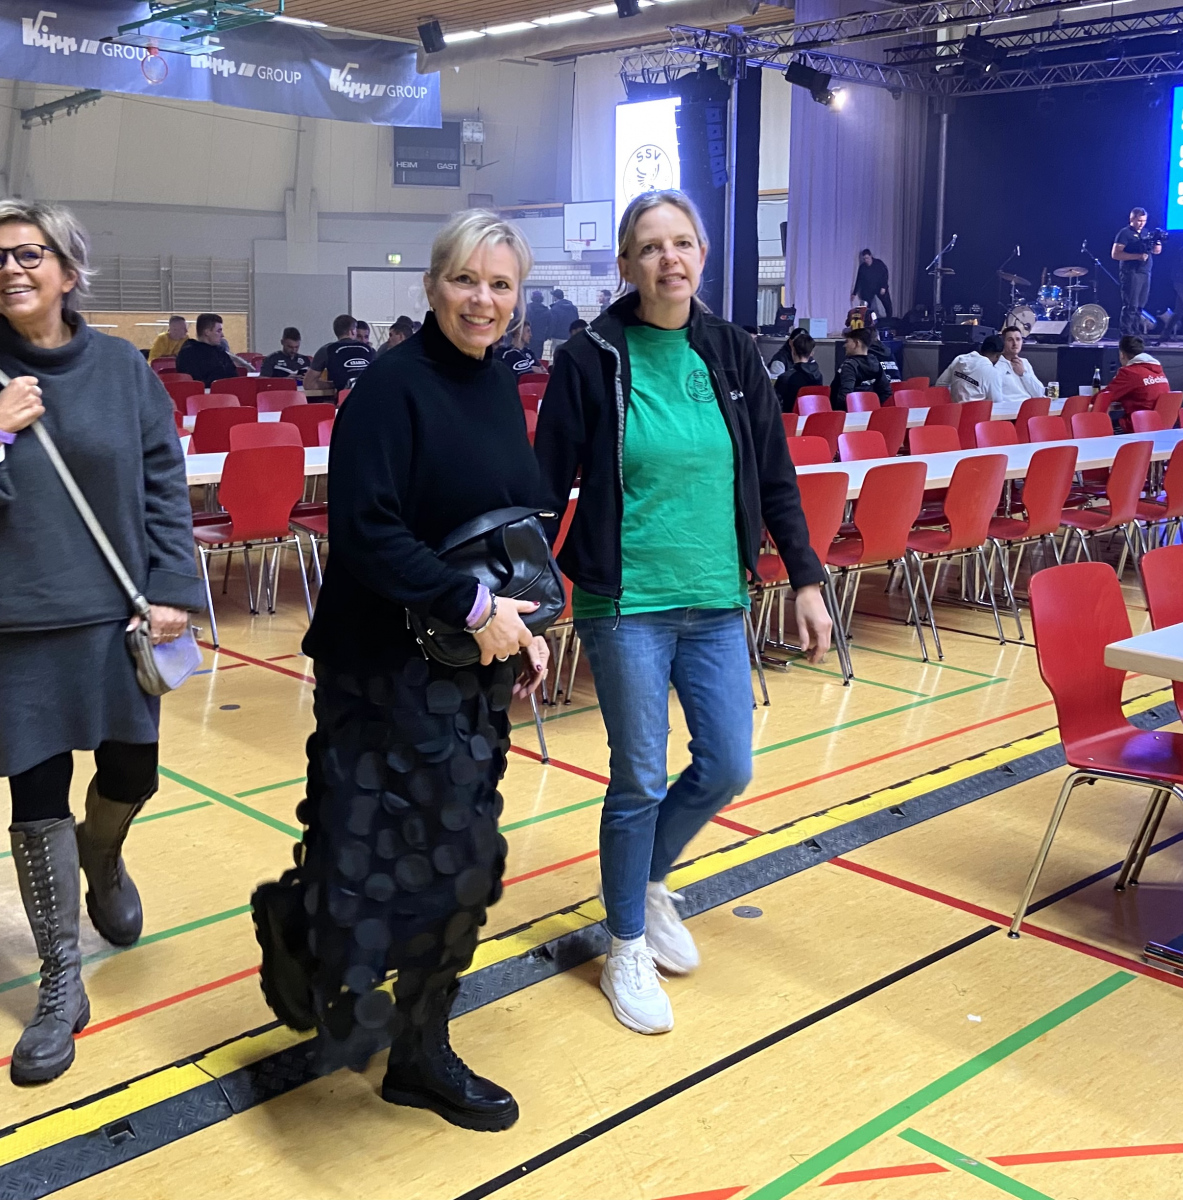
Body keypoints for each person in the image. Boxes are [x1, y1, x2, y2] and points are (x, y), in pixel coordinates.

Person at [250, 209, 551, 1131]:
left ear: (517, 300)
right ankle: (302, 927)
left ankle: (418, 1051)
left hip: (468, 668)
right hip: (379, 673)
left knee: (457, 864)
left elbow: (508, 523)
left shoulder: (497, 384)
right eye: (465, 279)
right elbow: (367, 532)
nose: (481, 300)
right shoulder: (388, 389)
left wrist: (527, 623)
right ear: (430, 286)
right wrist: (474, 607)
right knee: (370, 859)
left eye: (499, 285)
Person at [0, 200, 200, 1086]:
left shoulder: (121, 368)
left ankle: (100, 852)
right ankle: (61, 979)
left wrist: (174, 588)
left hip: (114, 616)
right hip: (10, 623)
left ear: (68, 271)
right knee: (36, 798)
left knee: (132, 774)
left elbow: (161, 479)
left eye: (29, 254)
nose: (11, 270)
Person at [535, 190, 834, 1035]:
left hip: (715, 598)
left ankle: (646, 878)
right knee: (637, 777)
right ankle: (624, 944)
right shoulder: (590, 355)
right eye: (650, 247)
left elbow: (773, 473)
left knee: (727, 767)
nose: (668, 258)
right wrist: (525, 597)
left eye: (682, 243)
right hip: (625, 601)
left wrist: (804, 577)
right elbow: (544, 482)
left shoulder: (731, 350)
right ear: (626, 264)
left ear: (701, 253)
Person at [1095, 335, 1171, 428]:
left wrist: (1090, 399)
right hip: (1159, 426)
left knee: (1098, 425)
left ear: (1122, 354)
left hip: (1137, 425)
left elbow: (1103, 397)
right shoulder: (1158, 370)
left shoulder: (1130, 372)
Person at [1112, 208, 1162, 335]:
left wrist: (1157, 241)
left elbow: (1156, 251)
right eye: (1139, 220)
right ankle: (1126, 334)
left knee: (1140, 305)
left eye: (1144, 221)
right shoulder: (1124, 233)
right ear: (1132, 219)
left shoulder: (1146, 232)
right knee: (1131, 305)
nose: (1141, 223)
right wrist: (1137, 256)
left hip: (1145, 271)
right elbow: (1115, 254)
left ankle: (1135, 333)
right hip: (1131, 272)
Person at [305, 315, 375, 393]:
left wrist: (335, 384)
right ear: (352, 331)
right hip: (371, 397)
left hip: (345, 398)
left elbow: (309, 384)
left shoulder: (327, 350)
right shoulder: (370, 350)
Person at [831, 326, 893, 409]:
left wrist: (839, 413)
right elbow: (886, 391)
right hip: (870, 412)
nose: (844, 345)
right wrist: (874, 407)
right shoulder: (876, 363)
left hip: (847, 413)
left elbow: (845, 396)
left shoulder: (849, 366)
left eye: (847, 342)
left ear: (857, 343)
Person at [175, 313, 244, 387]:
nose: (222, 335)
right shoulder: (188, 355)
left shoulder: (221, 352)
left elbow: (234, 377)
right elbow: (194, 384)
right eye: (218, 331)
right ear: (207, 332)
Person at [936, 334, 1003, 406]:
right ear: (997, 356)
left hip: (955, 411)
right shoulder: (992, 372)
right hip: (978, 412)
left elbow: (940, 384)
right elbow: (996, 402)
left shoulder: (959, 359)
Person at [772, 329, 823, 411]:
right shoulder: (818, 376)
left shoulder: (785, 378)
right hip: (812, 414)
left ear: (793, 351)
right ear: (811, 353)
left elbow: (775, 404)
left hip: (790, 417)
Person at [992, 328, 1045, 402]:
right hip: (1010, 407)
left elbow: (1039, 393)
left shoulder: (1025, 362)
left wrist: (1023, 374)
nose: (1015, 343)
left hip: (1029, 406)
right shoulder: (996, 365)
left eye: (1018, 339)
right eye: (1010, 340)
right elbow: (995, 398)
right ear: (1003, 343)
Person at [850, 248, 892, 318]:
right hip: (869, 289)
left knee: (887, 304)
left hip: (879, 287)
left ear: (871, 256)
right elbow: (859, 280)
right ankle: (868, 320)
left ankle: (889, 318)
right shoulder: (862, 267)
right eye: (864, 259)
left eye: (867, 258)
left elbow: (885, 274)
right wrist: (854, 293)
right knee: (866, 306)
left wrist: (884, 287)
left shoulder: (878, 263)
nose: (866, 260)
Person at [525, 290, 552, 360]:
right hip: (540, 337)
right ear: (541, 299)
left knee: (526, 355)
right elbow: (550, 324)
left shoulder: (526, 308)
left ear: (532, 298)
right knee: (538, 357)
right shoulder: (546, 310)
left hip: (527, 335)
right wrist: (547, 336)